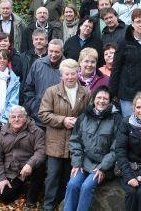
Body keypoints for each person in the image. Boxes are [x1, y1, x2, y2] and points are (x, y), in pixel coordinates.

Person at [39, 59, 91, 210]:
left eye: (73, 74)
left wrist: (79, 123)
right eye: (66, 74)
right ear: (61, 75)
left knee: (69, 177)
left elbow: (89, 117)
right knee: (52, 176)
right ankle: (48, 206)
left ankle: (64, 205)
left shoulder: (86, 92)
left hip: (76, 144)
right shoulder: (52, 91)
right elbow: (43, 114)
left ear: (78, 73)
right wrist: (63, 120)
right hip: (56, 141)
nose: (70, 77)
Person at [64, 86, 122, 211]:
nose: (101, 101)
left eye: (105, 98)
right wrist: (76, 163)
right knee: (72, 184)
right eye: (99, 97)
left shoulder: (116, 119)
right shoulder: (84, 116)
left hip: (102, 165)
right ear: (94, 99)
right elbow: (75, 141)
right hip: (84, 161)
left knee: (86, 187)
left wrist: (103, 168)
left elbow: (116, 149)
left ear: (110, 101)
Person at [0, 105, 46, 207]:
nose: (16, 119)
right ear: (9, 119)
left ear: (25, 118)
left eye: (19, 116)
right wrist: (1, 178)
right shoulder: (2, 134)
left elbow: (41, 151)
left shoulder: (36, 131)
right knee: (4, 196)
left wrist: (30, 164)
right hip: (11, 172)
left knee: (40, 167)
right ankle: (22, 188)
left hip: (29, 170)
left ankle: (31, 200)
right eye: (13, 117)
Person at [110, 9, 141, 117]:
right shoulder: (123, 42)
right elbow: (116, 68)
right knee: (129, 125)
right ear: (132, 23)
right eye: (138, 21)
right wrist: (112, 93)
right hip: (128, 93)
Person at [115, 92, 141, 211]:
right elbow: (120, 150)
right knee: (132, 193)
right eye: (138, 107)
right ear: (133, 108)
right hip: (128, 167)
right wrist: (129, 176)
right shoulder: (126, 123)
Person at [23, 39, 65, 129]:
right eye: (51, 51)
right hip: (38, 118)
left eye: (57, 52)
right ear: (47, 50)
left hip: (59, 120)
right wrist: (35, 108)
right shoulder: (38, 64)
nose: (53, 55)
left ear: (62, 52)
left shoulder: (67, 67)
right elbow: (28, 89)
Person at [19, 28, 48, 103]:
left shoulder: (52, 57)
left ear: (46, 41)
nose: (38, 41)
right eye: (36, 39)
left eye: (41, 39)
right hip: (28, 97)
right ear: (32, 41)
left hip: (46, 95)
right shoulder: (24, 57)